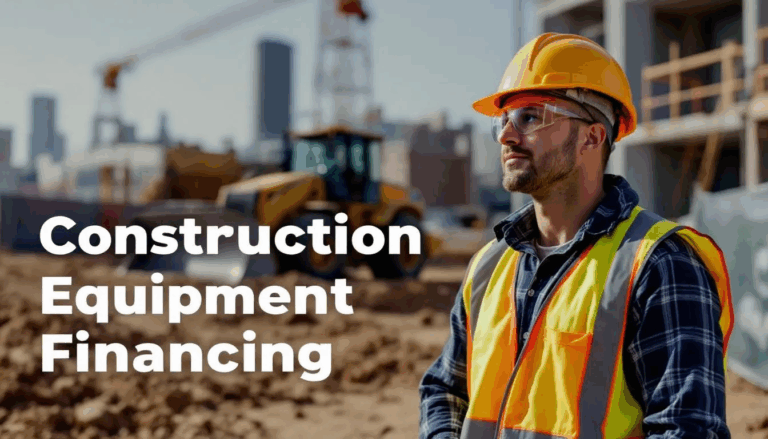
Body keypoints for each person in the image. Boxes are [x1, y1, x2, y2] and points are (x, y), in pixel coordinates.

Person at [418, 33, 734, 439]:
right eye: (504, 119)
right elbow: (445, 389)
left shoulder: (660, 264)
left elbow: (687, 430)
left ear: (592, 136)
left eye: (530, 117)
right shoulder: (489, 265)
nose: (506, 136)